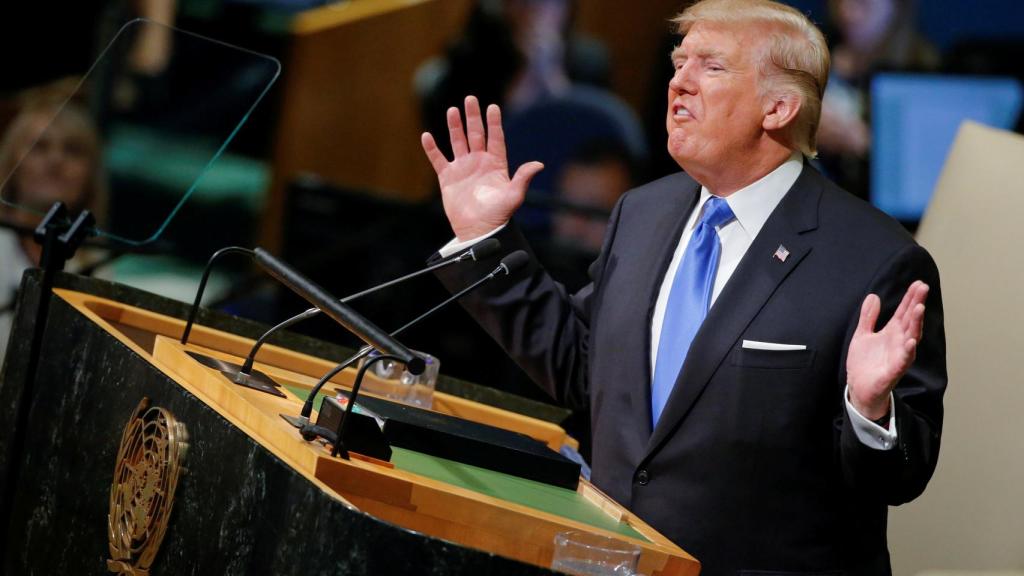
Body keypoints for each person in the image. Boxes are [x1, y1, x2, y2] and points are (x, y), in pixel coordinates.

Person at [420, 0, 946, 574]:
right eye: (679, 63)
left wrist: (870, 409)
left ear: (778, 107)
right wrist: (484, 237)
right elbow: (583, 367)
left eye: (711, 67)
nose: (680, 83)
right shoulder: (643, 213)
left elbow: (903, 473)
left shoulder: (876, 260)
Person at [0, 95, 107, 365]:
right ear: (12, 161)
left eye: (73, 150)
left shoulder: (100, 266)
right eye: (39, 147)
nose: (56, 160)